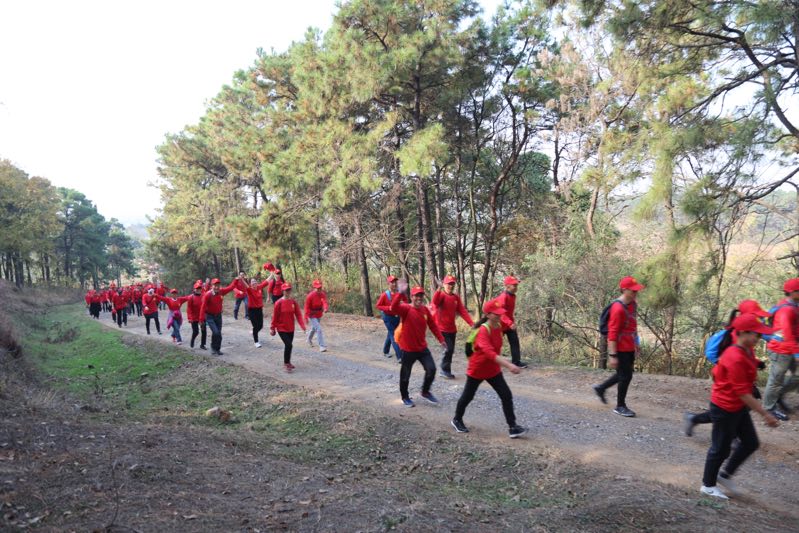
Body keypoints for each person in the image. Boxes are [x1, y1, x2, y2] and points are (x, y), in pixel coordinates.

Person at [699, 313, 779, 499]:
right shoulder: (734, 356)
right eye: (757, 335)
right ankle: (708, 485)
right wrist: (765, 414)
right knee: (720, 448)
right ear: (743, 332)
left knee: (751, 442)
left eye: (761, 335)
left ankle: (725, 475)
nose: (759, 339)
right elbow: (743, 392)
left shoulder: (746, 349)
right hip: (725, 407)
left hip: (737, 407)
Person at [684, 300, 770, 436]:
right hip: (728, 377)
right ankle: (730, 435)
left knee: (734, 407)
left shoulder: (749, 335)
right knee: (729, 407)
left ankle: (695, 419)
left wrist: (755, 362)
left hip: (736, 376)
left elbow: (744, 355)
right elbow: (721, 355)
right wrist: (725, 366)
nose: (759, 319)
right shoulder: (734, 334)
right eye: (756, 315)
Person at [452, 300, 527, 438]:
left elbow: (496, 351)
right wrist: (509, 365)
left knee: (506, 395)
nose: (499, 316)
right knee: (468, 396)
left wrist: (511, 324)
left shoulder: (498, 326)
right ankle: (457, 419)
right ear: (487, 314)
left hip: (493, 370)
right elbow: (489, 353)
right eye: (496, 313)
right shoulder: (483, 330)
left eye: (500, 313)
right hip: (478, 369)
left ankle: (513, 427)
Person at [592, 276, 643, 417]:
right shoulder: (617, 309)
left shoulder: (633, 304)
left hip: (629, 346)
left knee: (624, 374)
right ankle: (620, 406)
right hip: (620, 348)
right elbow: (612, 334)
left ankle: (601, 388)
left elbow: (633, 325)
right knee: (626, 376)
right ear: (624, 290)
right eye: (632, 291)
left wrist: (636, 343)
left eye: (636, 290)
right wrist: (612, 355)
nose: (635, 293)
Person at [390, 285, 446, 407]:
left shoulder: (425, 310)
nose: (419, 298)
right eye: (416, 296)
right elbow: (393, 308)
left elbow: (433, 326)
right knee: (405, 375)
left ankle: (425, 392)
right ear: (412, 297)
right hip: (408, 349)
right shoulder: (406, 308)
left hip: (422, 348)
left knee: (432, 369)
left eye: (421, 295)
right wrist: (399, 293)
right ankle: (405, 397)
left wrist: (441, 339)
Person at [762, 278, 799, 421]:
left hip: (791, 348)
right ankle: (769, 408)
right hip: (780, 349)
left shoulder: (795, 305)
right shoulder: (786, 309)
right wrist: (796, 353)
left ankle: (777, 396)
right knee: (776, 379)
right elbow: (787, 333)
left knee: (797, 377)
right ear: (792, 292)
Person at [432, 275, 474, 379]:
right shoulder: (441, 295)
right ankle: (443, 370)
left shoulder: (455, 298)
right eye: (449, 284)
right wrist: (438, 288)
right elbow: (435, 302)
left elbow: (462, 311)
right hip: (441, 329)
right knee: (448, 349)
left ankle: (447, 370)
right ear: (444, 284)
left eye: (452, 284)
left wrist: (471, 324)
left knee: (450, 350)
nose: (451, 286)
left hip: (452, 329)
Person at [492, 276, 528, 369]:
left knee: (514, 342)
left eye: (516, 285)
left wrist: (511, 322)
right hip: (499, 324)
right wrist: (510, 323)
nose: (516, 287)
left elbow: (509, 312)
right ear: (507, 286)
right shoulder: (503, 297)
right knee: (496, 344)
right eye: (514, 285)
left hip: (508, 324)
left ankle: (516, 362)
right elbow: (501, 313)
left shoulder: (513, 296)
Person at [270, 283, 306, 372]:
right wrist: (272, 328)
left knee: (289, 346)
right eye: (286, 290)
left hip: (291, 328)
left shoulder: (293, 302)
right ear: (283, 291)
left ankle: (288, 362)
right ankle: (286, 363)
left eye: (289, 289)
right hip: (281, 328)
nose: (288, 291)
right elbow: (275, 316)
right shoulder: (278, 303)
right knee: (289, 345)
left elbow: (298, 314)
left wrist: (302, 326)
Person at [200, 278, 237, 356]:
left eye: (218, 285)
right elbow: (203, 307)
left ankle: (217, 349)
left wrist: (236, 280)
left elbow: (231, 287)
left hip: (218, 316)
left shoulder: (221, 292)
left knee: (218, 333)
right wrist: (201, 320)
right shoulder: (208, 294)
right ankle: (213, 347)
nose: (216, 287)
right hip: (209, 316)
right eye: (215, 285)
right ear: (212, 286)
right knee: (216, 332)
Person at [233, 273, 270, 348]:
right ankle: (256, 341)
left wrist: (272, 273)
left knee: (260, 326)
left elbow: (267, 281)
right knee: (256, 326)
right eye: (252, 282)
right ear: (250, 284)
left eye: (255, 282)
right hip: (252, 310)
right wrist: (241, 279)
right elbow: (245, 284)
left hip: (259, 309)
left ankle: (253, 332)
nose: (254, 283)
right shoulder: (249, 290)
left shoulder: (259, 287)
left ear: (257, 283)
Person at [376, 275, 406, 361]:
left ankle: (385, 351)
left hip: (397, 317)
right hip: (387, 318)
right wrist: (388, 308)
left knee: (391, 333)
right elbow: (378, 306)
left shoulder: (399, 293)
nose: (394, 284)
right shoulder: (385, 295)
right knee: (394, 335)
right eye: (392, 282)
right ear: (388, 284)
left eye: (395, 282)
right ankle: (400, 356)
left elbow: (405, 301)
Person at [304, 279, 329, 352]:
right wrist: (306, 317)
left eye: (320, 288)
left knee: (314, 328)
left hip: (319, 314)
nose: (319, 289)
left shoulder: (322, 294)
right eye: (317, 288)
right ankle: (322, 346)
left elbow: (324, 302)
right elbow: (306, 307)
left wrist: (325, 308)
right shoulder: (310, 296)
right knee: (318, 328)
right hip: (311, 314)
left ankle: (308, 339)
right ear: (314, 288)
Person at [186, 280, 207, 350]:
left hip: (202, 316)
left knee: (204, 331)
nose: (198, 290)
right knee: (196, 332)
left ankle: (202, 344)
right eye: (197, 288)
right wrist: (189, 318)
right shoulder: (190, 297)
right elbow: (189, 309)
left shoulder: (203, 296)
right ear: (194, 289)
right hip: (194, 317)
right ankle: (192, 340)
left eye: (200, 288)